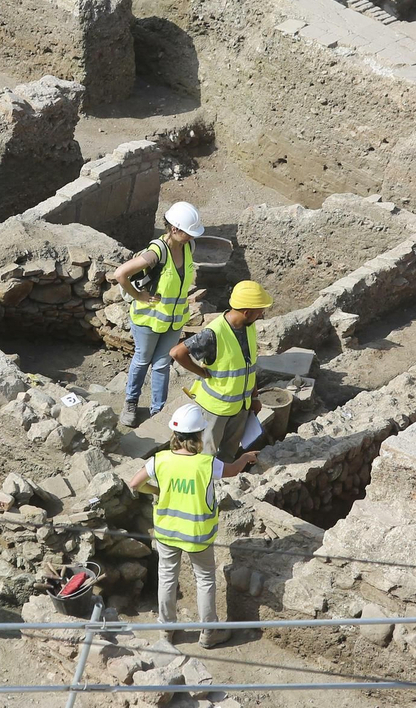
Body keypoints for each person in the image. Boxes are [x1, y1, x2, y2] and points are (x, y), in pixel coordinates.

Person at [127, 403, 258, 647]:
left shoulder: (160, 460)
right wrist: (245, 458)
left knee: (167, 578)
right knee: (205, 580)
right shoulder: (206, 463)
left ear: (174, 434)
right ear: (199, 435)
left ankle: (166, 631)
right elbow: (232, 471)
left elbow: (134, 484)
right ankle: (209, 633)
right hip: (198, 534)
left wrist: (156, 490)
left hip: (166, 531)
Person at [110, 201, 204, 428]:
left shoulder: (188, 247)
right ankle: (131, 403)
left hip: (174, 320)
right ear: (175, 229)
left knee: (162, 364)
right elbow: (120, 274)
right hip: (148, 320)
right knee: (142, 360)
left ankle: (158, 411)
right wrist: (138, 296)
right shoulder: (156, 253)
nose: (192, 237)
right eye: (188, 232)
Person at [171, 280, 273, 461]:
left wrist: (254, 397)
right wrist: (202, 372)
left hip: (240, 407)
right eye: (259, 311)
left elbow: (248, 367)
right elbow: (177, 353)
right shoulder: (214, 333)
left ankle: (226, 477)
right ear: (247, 312)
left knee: (228, 453)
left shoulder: (249, 327)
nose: (261, 314)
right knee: (206, 455)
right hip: (215, 409)